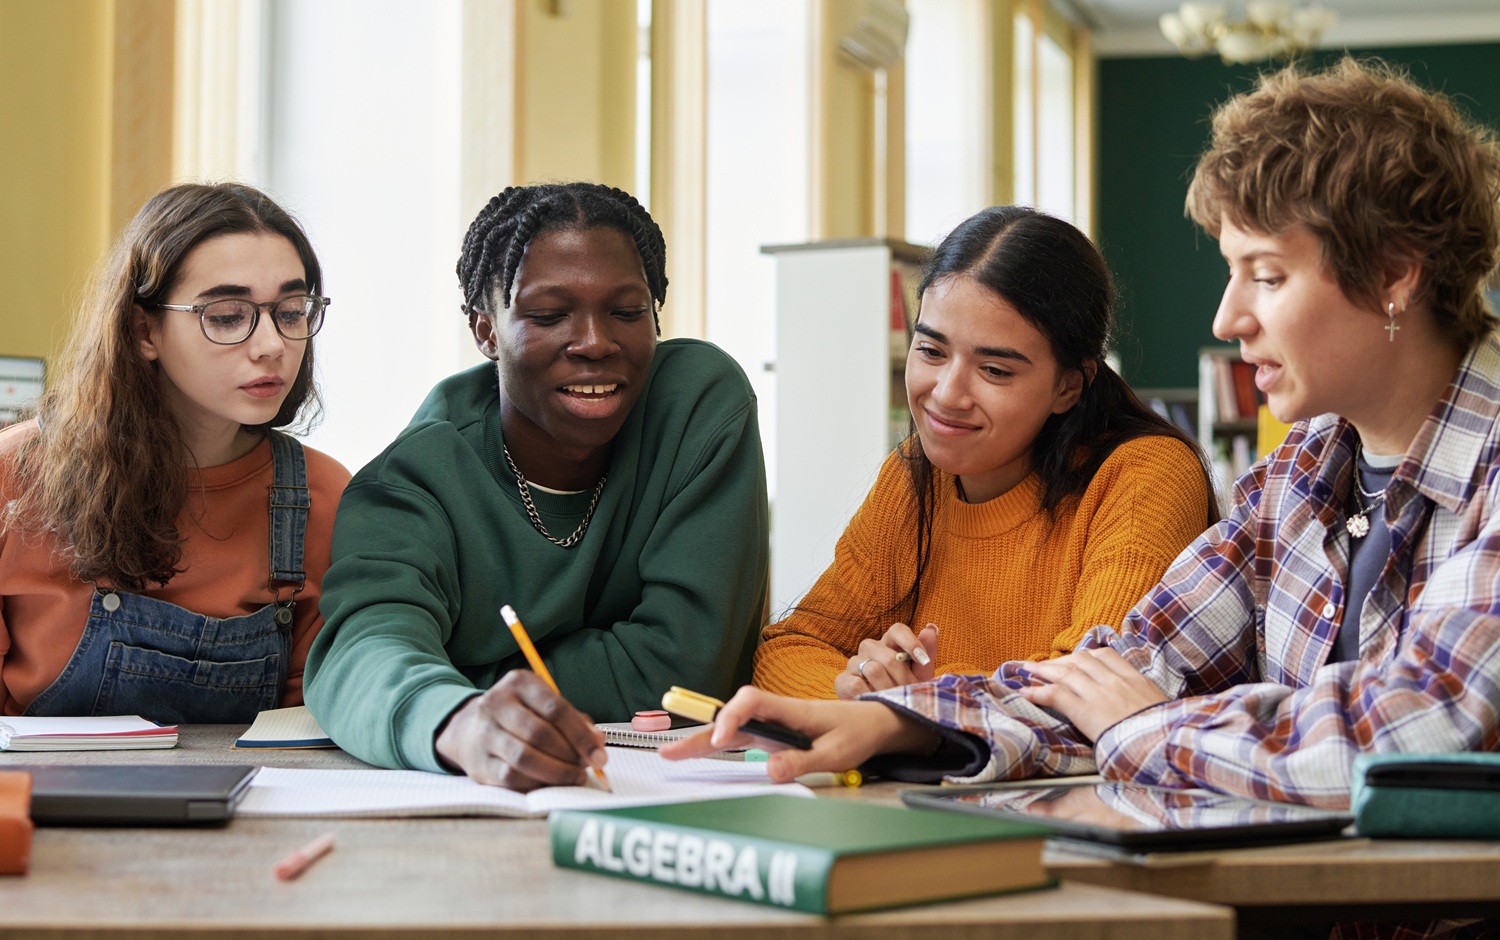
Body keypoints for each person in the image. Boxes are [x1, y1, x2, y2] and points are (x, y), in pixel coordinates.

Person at [665, 57, 1500, 813]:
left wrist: (1150, 726)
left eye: (1268, 276)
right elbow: (1122, 667)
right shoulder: (1301, 473)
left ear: (1395, 273)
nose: (1227, 317)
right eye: (1229, 270)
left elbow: (1412, 730)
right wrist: (897, 725)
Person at [306, 182, 769, 791]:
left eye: (627, 313)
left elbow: (684, 670)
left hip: (678, 795)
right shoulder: (414, 480)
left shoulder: (698, 407)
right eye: (549, 315)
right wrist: (461, 719)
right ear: (486, 331)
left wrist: (463, 672)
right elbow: (363, 650)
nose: (596, 343)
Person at [755, 206, 1216, 701]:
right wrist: (870, 699)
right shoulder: (914, 477)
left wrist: (923, 704)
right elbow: (790, 648)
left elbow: (1094, 686)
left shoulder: (1144, 474)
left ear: (1068, 386)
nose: (947, 394)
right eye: (930, 351)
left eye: (995, 370)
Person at [0, 182, 351, 723]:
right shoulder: (16, 475)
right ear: (144, 330)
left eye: (292, 310)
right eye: (229, 316)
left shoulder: (324, 497)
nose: (272, 345)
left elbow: (313, 726)